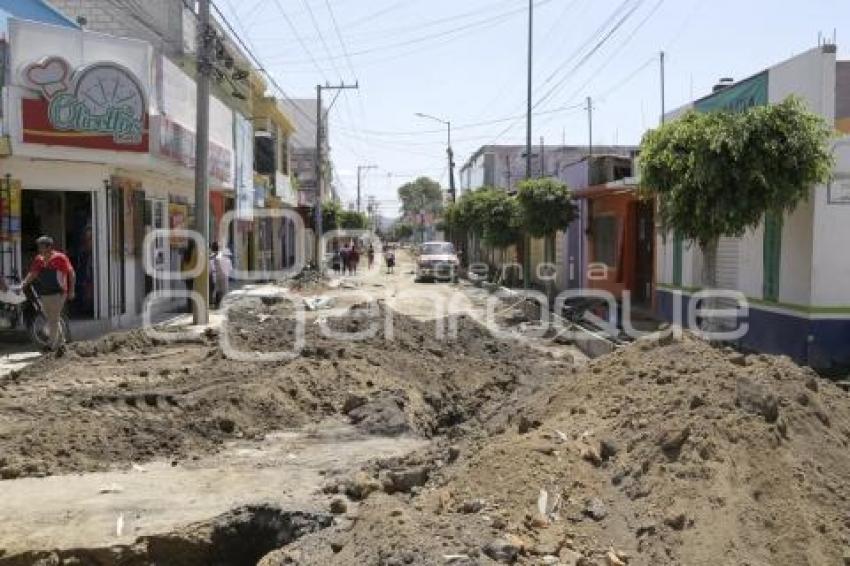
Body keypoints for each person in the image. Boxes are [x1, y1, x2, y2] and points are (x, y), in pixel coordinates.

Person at [22, 236, 75, 352]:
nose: (39, 249)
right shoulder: (39, 259)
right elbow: (33, 273)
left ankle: (51, 345)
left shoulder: (60, 258)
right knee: (50, 318)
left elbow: (71, 273)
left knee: (54, 318)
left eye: (42, 246)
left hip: (59, 293)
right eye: (39, 246)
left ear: (49, 247)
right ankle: (62, 343)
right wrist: (24, 283)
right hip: (45, 293)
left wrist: (71, 290)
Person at [209, 242, 233, 309]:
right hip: (224, 276)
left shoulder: (212, 257)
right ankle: (221, 305)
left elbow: (211, 268)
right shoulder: (226, 259)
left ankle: (216, 304)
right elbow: (230, 269)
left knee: (216, 290)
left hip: (215, 276)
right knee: (224, 291)